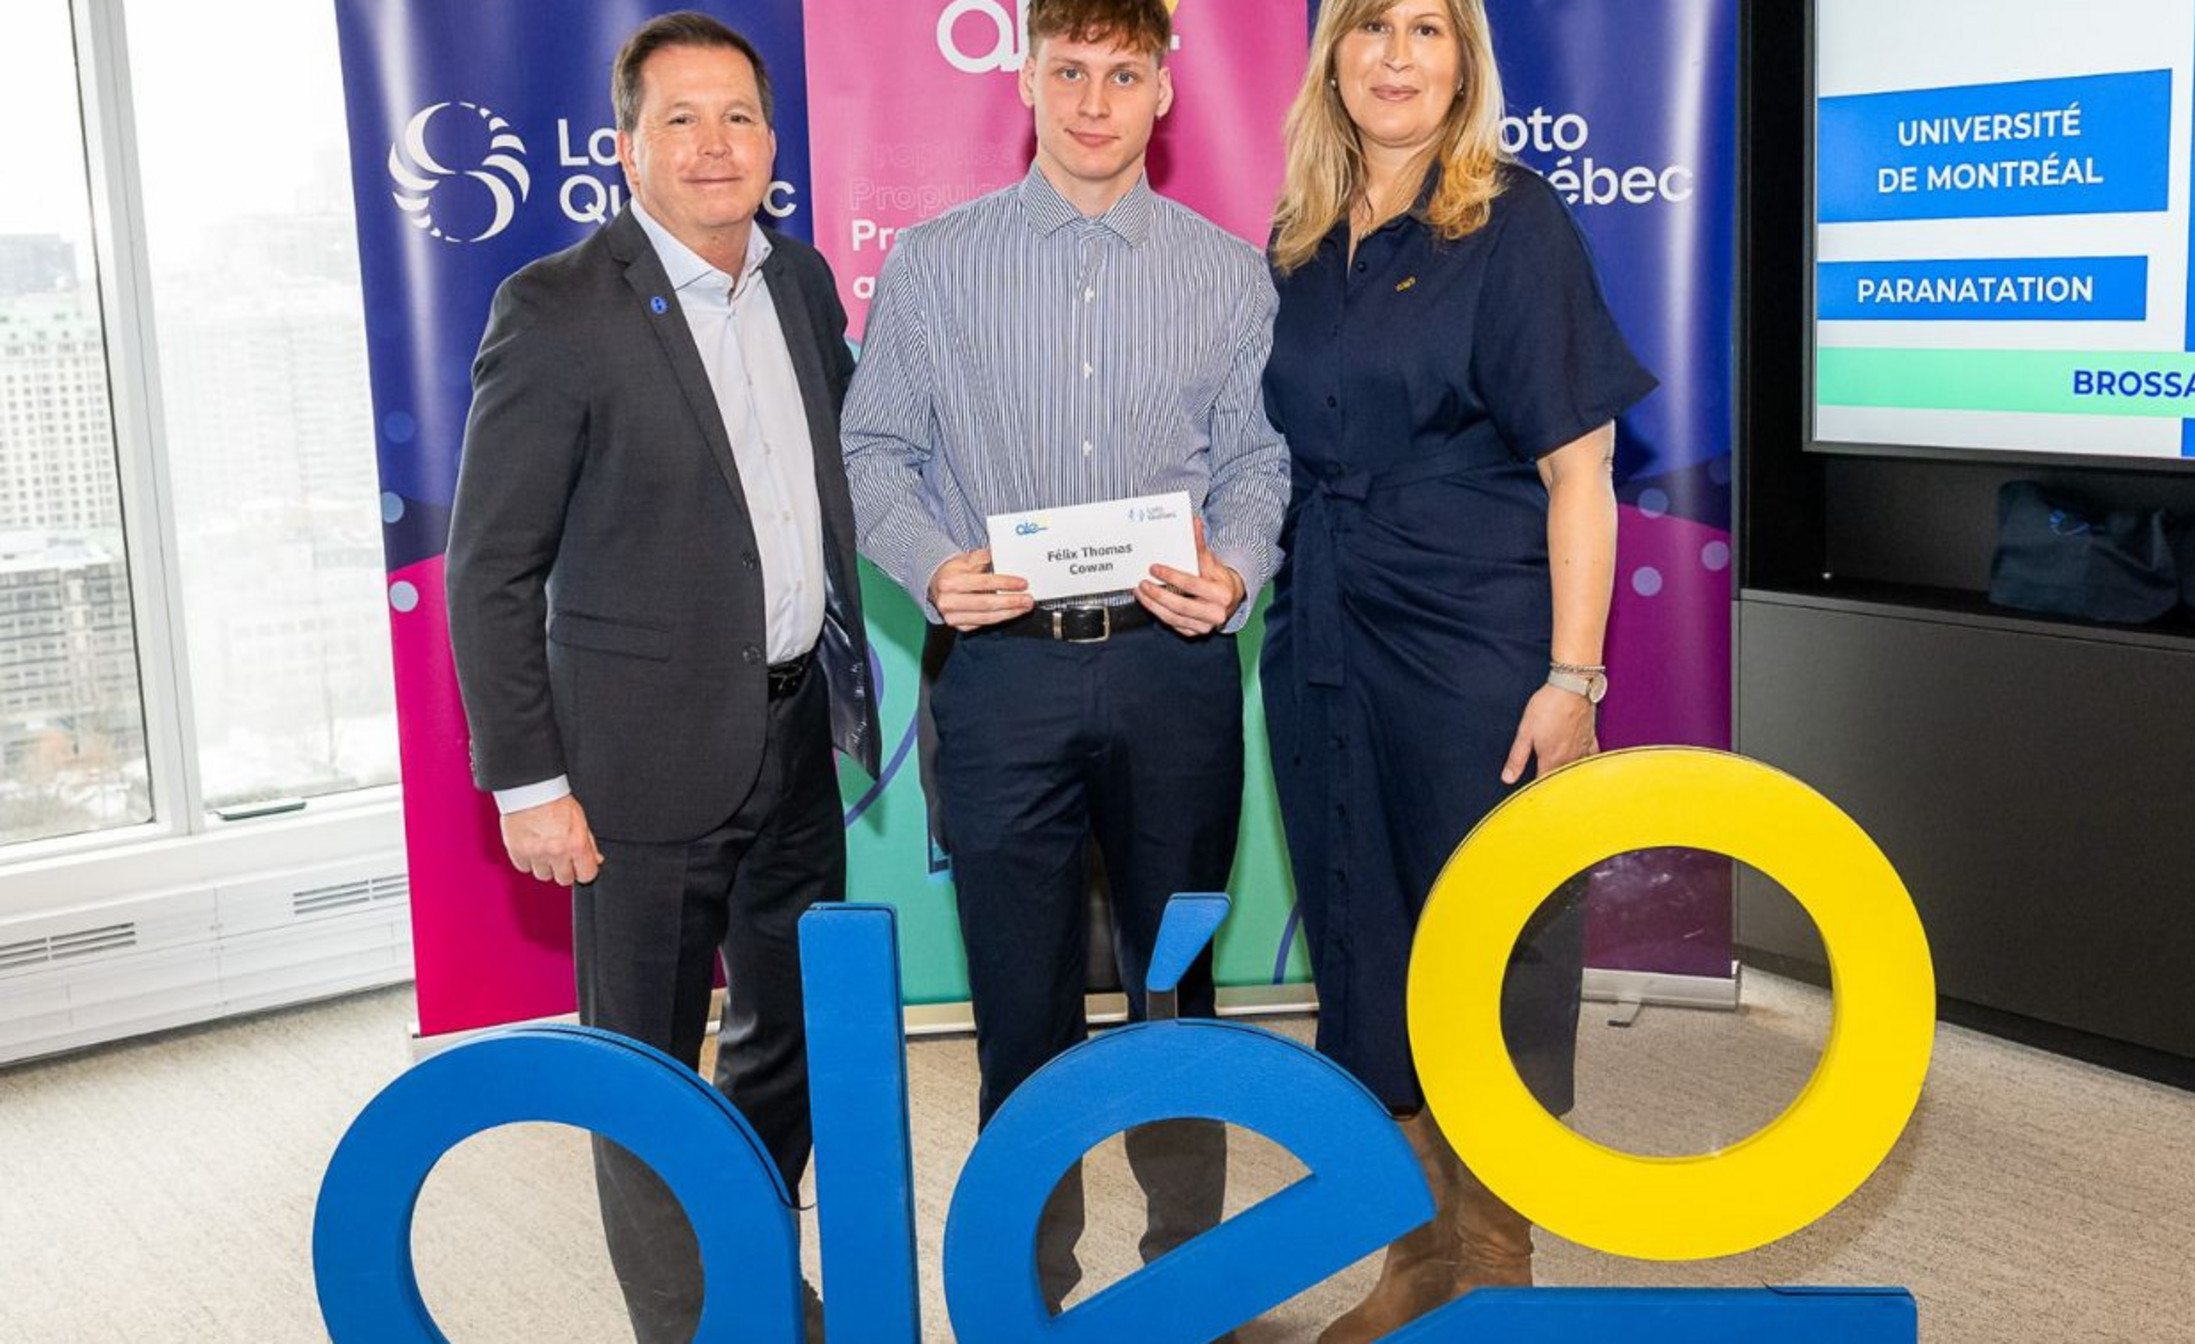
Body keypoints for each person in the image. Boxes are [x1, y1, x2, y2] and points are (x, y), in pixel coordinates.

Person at [841, 0, 1289, 1317]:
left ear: (1165, 91)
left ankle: (1191, 1285)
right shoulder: (935, 265)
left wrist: (1237, 566)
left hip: (1174, 675)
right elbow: (874, 453)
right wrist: (930, 563)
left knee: (1177, 987)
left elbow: (1261, 463)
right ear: (1025, 80)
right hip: (1002, 680)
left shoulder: (1229, 274)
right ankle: (1024, 1296)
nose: (1096, 101)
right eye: (1071, 70)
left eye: (1124, 73)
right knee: (1019, 998)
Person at [445, 12, 877, 1341]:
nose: (714, 144)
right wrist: (528, 783)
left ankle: (746, 1266)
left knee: (788, 1041)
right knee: (642, 1070)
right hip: (633, 766)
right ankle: (695, 1327)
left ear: (772, 141)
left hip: (794, 741)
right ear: (626, 147)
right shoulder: (558, 309)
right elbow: (490, 567)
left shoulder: (801, 283)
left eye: (738, 116)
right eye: (679, 119)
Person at [1259, 1, 1657, 1339]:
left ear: (1464, 63)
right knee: (1362, 937)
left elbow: (1583, 471)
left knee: (1484, 942)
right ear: (1332, 58)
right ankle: (1417, 1252)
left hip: (1473, 641)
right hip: (1321, 634)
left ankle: (1493, 1263)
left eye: (1426, 29)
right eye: (1370, 26)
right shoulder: (1301, 235)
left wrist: (1574, 679)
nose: (1396, 56)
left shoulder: (1515, 221)